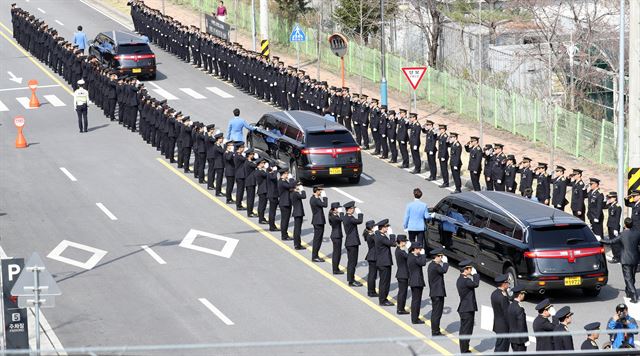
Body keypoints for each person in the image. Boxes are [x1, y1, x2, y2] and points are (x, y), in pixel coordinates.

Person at [601, 218, 640, 302]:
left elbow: (611, 241)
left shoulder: (622, 234)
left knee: (628, 278)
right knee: (632, 277)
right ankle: (628, 292)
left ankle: (634, 295)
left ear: (625, 225)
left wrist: (601, 240)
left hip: (626, 259)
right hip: (635, 258)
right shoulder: (637, 233)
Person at [457, 259, 479, 353]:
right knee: (466, 331)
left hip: (464, 308)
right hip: (467, 309)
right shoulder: (466, 281)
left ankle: (464, 348)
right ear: (465, 270)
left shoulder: (460, 279)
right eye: (470, 268)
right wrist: (475, 275)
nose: (471, 270)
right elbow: (476, 284)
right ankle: (464, 350)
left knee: (464, 330)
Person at [375, 219, 396, 305]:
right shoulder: (381, 237)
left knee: (384, 282)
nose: (387, 228)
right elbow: (392, 243)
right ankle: (383, 300)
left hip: (382, 261)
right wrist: (391, 234)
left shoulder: (379, 234)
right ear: (382, 228)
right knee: (385, 282)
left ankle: (383, 298)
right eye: (386, 227)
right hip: (384, 262)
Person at [342, 201, 363, 287]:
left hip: (350, 242)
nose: (354, 210)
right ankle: (351, 281)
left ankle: (351, 279)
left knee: (351, 262)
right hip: (352, 242)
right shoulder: (350, 218)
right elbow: (359, 221)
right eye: (353, 208)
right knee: (352, 263)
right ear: (349, 209)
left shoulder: (346, 217)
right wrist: (360, 213)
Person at [428, 247, 448, 334]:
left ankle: (435, 330)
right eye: (440, 256)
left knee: (435, 312)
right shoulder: (436, 266)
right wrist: (446, 263)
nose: (441, 258)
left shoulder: (432, 265)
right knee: (437, 313)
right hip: (437, 293)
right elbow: (444, 270)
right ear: (436, 257)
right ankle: (435, 331)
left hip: (435, 292)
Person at [490, 274, 511, 352]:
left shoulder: (494, 293)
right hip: (504, 326)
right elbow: (507, 313)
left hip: (498, 324)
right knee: (503, 348)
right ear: (504, 284)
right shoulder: (503, 297)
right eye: (508, 283)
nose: (509, 285)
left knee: (499, 346)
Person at [408, 242, 427, 324]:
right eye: (419, 249)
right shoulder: (414, 258)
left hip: (413, 281)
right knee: (416, 301)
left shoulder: (411, 256)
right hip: (417, 281)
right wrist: (423, 255)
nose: (420, 250)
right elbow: (423, 263)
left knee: (415, 300)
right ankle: (415, 319)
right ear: (414, 249)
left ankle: (414, 317)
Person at [308, 184, 327, 258]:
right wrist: (325, 197)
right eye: (320, 190)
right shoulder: (315, 200)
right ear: (317, 191)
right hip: (318, 221)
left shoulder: (314, 198)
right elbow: (325, 205)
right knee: (317, 239)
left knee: (318, 239)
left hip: (317, 220)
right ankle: (315, 256)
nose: (321, 192)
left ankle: (315, 255)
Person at [507, 285, 528, 352]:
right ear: (520, 295)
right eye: (523, 294)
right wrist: (526, 339)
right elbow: (522, 326)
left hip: (512, 338)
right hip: (520, 340)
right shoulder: (520, 309)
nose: (524, 295)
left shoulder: (510, 306)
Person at [277, 168, 295, 240]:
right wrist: (291, 179)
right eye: (287, 173)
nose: (287, 175)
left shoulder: (283, 181)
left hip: (286, 202)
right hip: (285, 203)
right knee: (285, 220)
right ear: (283, 174)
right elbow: (290, 185)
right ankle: (284, 235)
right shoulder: (282, 182)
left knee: (285, 220)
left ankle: (284, 234)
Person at [605, 191, 622, 263]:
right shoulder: (610, 206)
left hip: (614, 227)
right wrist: (606, 201)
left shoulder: (617, 207)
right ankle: (615, 256)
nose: (609, 199)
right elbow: (603, 206)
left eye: (610, 198)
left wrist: (615, 229)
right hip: (610, 226)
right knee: (612, 243)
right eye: (609, 197)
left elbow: (617, 218)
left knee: (615, 244)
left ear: (615, 198)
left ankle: (617, 257)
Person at [394, 235, 409, 315]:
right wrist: (410, 249)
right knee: (402, 293)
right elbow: (409, 257)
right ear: (401, 242)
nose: (405, 243)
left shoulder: (399, 250)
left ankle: (400, 308)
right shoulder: (401, 251)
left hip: (401, 273)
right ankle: (400, 309)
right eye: (404, 242)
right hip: (403, 274)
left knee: (402, 292)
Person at [328, 203, 344, 274]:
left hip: (336, 235)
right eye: (338, 208)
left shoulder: (333, 215)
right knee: (337, 253)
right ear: (335, 209)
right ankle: (335, 269)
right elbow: (342, 219)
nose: (339, 209)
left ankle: (336, 268)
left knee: (336, 253)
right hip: (336, 236)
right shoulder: (334, 217)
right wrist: (341, 212)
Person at [363, 220, 378, 296]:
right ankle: (371, 291)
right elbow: (377, 240)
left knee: (373, 274)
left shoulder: (371, 234)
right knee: (372, 275)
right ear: (371, 228)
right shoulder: (371, 236)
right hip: (373, 256)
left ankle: (372, 290)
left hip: (372, 255)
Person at [291, 181, 307, 251]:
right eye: (298, 185)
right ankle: (297, 244)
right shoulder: (295, 193)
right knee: (297, 230)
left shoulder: (293, 193)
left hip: (297, 212)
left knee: (297, 229)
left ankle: (297, 243)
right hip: (298, 213)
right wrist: (302, 190)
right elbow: (304, 196)